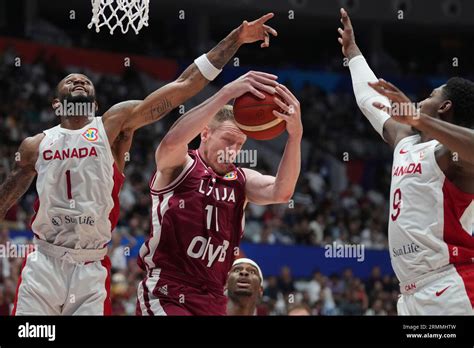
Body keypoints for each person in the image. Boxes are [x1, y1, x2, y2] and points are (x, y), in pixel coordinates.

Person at [0, 13, 278, 315]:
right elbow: (4, 200)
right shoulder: (34, 145)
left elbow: (183, 85)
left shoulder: (113, 125)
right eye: (70, 80)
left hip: (90, 265)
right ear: (56, 104)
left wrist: (235, 38)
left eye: (85, 80)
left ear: (94, 105)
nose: (78, 79)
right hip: (44, 260)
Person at [338, 7, 474, 315]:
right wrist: (353, 52)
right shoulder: (405, 140)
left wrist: (418, 119)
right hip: (409, 294)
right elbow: (369, 100)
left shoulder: (451, 156)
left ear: (445, 107)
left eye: (430, 96)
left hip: (452, 286)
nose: (421, 101)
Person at [136, 71, 302, 316]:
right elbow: (171, 142)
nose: (233, 150)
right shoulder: (181, 165)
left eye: (240, 145)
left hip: (214, 296)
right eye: (227, 140)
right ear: (205, 134)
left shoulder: (241, 180)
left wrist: (295, 136)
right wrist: (226, 93)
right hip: (169, 290)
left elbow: (282, 191)